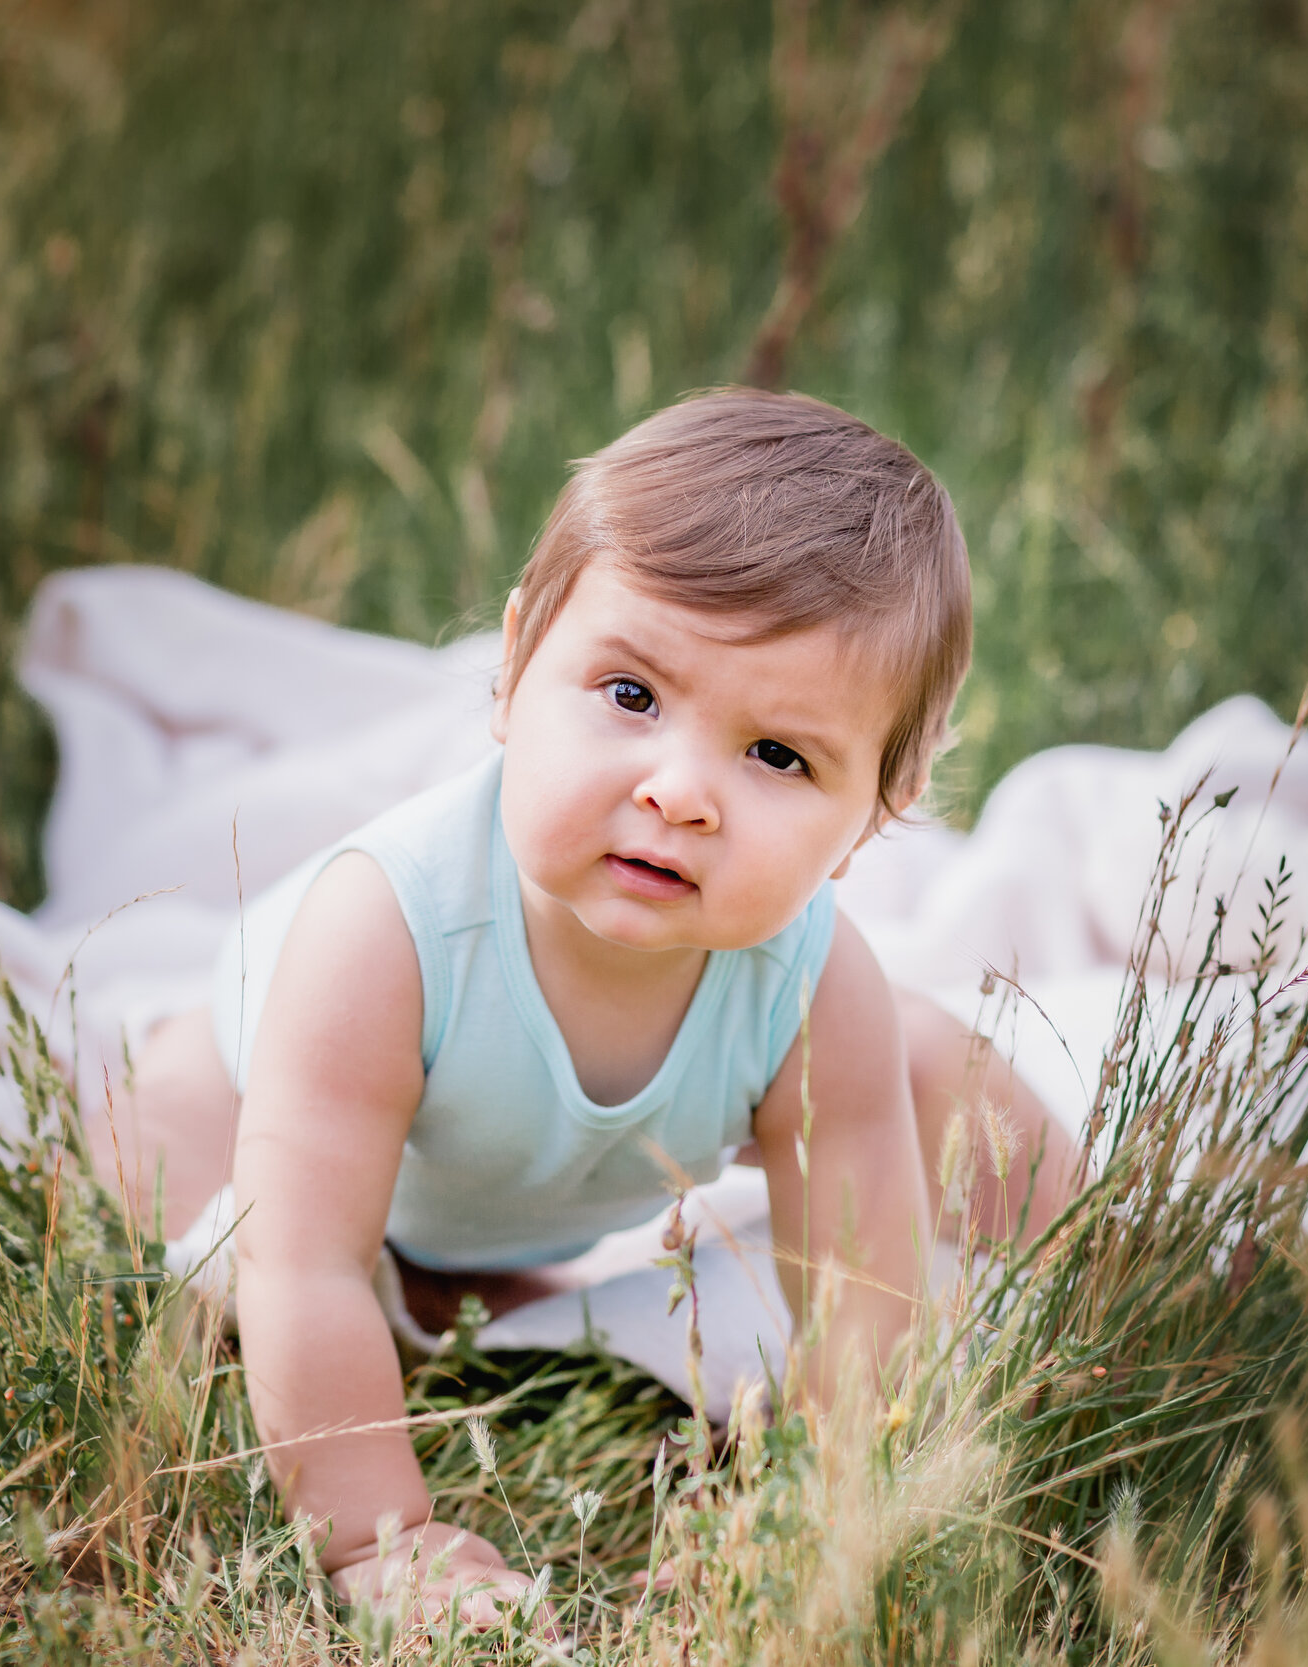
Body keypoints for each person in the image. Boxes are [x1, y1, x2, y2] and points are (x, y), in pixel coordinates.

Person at [84, 388, 1082, 1625]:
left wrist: (817, 1514)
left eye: (778, 756)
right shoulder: (382, 934)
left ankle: (1111, 1252)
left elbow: (856, 1290)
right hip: (235, 1116)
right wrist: (377, 1544)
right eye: (629, 694)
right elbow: (306, 1260)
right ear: (511, 671)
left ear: (876, 809)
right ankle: (430, 1304)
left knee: (930, 1059)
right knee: (203, 1269)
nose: (680, 790)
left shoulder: (818, 987)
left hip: (508, 1202)